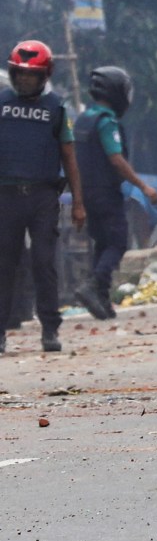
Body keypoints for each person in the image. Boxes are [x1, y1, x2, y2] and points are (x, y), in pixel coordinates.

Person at [0, 42, 81, 354]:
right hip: (6, 196)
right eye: (20, 75)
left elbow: (69, 156)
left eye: (31, 76)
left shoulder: (56, 109)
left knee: (44, 262)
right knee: (5, 265)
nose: (24, 81)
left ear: (44, 76)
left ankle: (50, 329)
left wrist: (78, 202)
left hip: (43, 197)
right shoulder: (2, 103)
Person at [71, 67, 157, 320]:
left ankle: (102, 299)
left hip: (86, 191)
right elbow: (116, 159)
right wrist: (144, 187)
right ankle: (93, 285)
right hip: (105, 192)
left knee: (102, 242)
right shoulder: (107, 122)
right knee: (118, 241)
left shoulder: (84, 118)